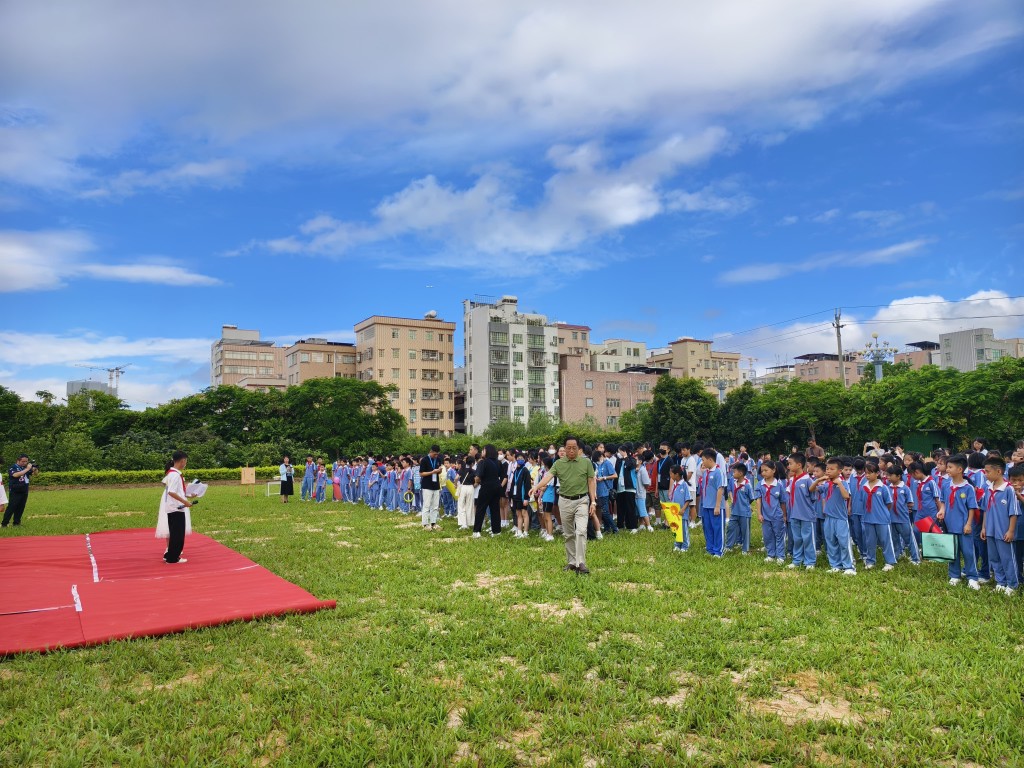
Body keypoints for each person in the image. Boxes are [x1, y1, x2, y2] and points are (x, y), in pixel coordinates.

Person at [532, 436, 597, 574]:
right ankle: (572, 562)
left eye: (574, 447)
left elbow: (591, 482)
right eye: (568, 448)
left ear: (579, 449)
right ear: (564, 449)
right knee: (568, 534)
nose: (571, 450)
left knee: (580, 531)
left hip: (582, 500)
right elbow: (548, 477)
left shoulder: (586, 463)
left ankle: (581, 563)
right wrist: (536, 486)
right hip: (565, 501)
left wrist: (593, 501)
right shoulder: (559, 464)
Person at [937, 455, 981, 589]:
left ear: (960, 469)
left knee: (968, 552)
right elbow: (943, 502)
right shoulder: (945, 485)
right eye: (947, 466)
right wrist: (942, 510)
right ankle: (954, 575)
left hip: (963, 526)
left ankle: (972, 577)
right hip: (949, 525)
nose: (947, 469)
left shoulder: (968, 488)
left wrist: (968, 524)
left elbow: (972, 508)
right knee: (952, 551)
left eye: (950, 467)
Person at [980, 455, 1019, 595]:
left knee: (1007, 558)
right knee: (994, 558)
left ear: (999, 472)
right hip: (990, 530)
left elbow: (1013, 513)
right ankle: (1000, 582)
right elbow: (985, 509)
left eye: (988, 471)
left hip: (1004, 531)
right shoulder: (988, 488)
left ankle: (1012, 585)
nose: (985, 474)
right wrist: (984, 527)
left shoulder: (1009, 489)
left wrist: (1011, 531)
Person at [811, 457, 856, 575]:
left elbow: (846, 496)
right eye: (827, 469)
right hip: (828, 518)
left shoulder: (843, 483)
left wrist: (839, 484)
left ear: (839, 471)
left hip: (840, 518)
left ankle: (849, 566)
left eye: (832, 469)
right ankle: (835, 565)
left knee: (843, 542)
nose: (828, 471)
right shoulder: (827, 485)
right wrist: (818, 480)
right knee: (831, 542)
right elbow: (812, 489)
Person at [157, 450, 193, 564]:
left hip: (173, 507)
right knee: (177, 534)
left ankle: (170, 555)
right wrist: (185, 501)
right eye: (185, 461)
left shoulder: (172, 474)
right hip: (176, 507)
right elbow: (171, 492)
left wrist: (189, 495)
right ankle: (173, 558)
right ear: (182, 461)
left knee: (175, 533)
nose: (185, 463)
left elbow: (177, 491)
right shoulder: (175, 475)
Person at [860, 462, 896, 571]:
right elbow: (863, 502)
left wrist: (882, 512)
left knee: (885, 541)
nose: (867, 475)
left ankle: (890, 562)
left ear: (877, 473)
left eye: (870, 473)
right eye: (866, 473)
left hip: (882, 519)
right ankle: (871, 561)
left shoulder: (883, 488)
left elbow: (888, 503)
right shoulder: (864, 487)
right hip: (868, 518)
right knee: (870, 541)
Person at [785, 453, 817, 570]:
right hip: (794, 514)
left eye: (790, 463)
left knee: (808, 538)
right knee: (797, 538)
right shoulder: (792, 479)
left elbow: (813, 497)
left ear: (799, 465)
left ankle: (810, 561)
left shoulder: (808, 479)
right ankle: (797, 560)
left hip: (806, 515)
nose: (788, 466)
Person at [886, 466, 921, 565]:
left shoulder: (905, 488)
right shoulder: (887, 488)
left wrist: (903, 507)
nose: (888, 477)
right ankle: (898, 554)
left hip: (903, 518)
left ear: (898, 476)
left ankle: (915, 558)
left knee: (909, 538)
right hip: (891, 518)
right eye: (887, 475)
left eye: (890, 475)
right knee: (894, 539)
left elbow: (910, 502)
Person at [698, 448, 727, 557]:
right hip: (706, 505)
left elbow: (720, 489)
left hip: (715, 506)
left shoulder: (718, 472)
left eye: (703, 460)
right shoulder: (706, 472)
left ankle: (718, 550)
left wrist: (717, 506)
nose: (702, 462)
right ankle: (710, 549)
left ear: (710, 459)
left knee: (718, 528)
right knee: (708, 528)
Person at [758, 460, 786, 563]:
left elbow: (783, 501)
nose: (763, 473)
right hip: (765, 515)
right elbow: (759, 500)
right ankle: (771, 554)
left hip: (777, 515)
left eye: (766, 470)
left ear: (773, 470)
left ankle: (780, 556)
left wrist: (784, 515)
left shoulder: (779, 485)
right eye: (762, 471)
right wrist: (759, 514)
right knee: (767, 535)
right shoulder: (760, 485)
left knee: (779, 535)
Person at [473, 444, 503, 538]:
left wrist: (477, 481)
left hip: (486, 487)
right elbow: (501, 475)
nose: (482, 452)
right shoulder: (498, 462)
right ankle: (496, 531)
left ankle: (476, 531)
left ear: (487, 451)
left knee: (480, 509)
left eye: (483, 450)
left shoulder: (483, 462)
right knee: (495, 509)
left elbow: (477, 477)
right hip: (497, 487)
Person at [725, 462, 754, 554]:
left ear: (741, 473)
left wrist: (745, 505)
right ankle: (728, 546)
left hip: (744, 512)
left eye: (734, 472)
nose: (733, 474)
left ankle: (745, 549)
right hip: (734, 511)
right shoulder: (734, 483)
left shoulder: (747, 485)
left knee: (745, 531)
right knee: (730, 528)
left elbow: (751, 498)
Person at [3, 455, 37, 527]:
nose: (25, 463)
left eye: (26, 461)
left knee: (21, 507)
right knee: (12, 507)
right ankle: (4, 523)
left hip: (24, 490)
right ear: (18, 460)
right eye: (23, 461)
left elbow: (35, 474)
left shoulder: (25, 468)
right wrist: (27, 469)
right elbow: (15, 475)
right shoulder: (13, 467)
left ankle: (16, 523)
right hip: (15, 490)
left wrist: (35, 469)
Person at [666, 465, 691, 552]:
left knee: (683, 530)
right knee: (676, 529)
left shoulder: (684, 485)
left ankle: (685, 545)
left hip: (682, 513)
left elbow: (688, 499)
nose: (670, 475)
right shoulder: (674, 485)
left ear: (676, 474)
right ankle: (677, 544)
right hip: (675, 513)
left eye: (671, 473)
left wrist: (683, 509)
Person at [419, 444, 443, 531]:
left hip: (436, 485)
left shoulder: (439, 460)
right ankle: (425, 524)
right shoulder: (425, 460)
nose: (436, 456)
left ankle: (433, 523)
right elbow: (421, 473)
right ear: (431, 451)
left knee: (435, 506)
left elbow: (438, 473)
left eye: (437, 454)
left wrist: (439, 471)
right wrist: (432, 472)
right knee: (427, 505)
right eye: (435, 454)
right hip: (427, 485)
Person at [457, 454, 476, 530]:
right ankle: (469, 523)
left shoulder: (461, 469)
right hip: (471, 487)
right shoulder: (474, 471)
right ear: (472, 463)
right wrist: (473, 485)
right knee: (469, 506)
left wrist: (455, 484)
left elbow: (456, 478)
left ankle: (463, 524)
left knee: (461, 506)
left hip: (463, 487)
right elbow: (477, 480)